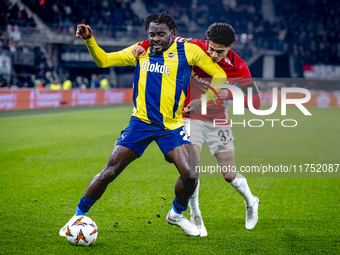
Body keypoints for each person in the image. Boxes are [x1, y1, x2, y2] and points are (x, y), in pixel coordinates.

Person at [59, 12, 226, 237]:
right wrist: (90, 39)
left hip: (171, 126)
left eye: (161, 34)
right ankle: (77, 217)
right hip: (141, 123)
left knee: (192, 173)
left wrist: (203, 101)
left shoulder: (188, 51)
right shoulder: (141, 50)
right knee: (110, 171)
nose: (156, 39)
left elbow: (219, 74)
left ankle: (176, 213)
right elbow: (104, 60)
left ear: (172, 34)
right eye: (152, 34)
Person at [133, 23, 261, 236]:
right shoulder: (194, 46)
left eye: (219, 51)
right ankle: (195, 214)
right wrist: (141, 45)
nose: (212, 54)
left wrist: (228, 95)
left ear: (230, 47)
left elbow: (256, 102)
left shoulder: (239, 67)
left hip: (218, 120)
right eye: (211, 48)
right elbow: (163, 39)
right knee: (192, 168)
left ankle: (251, 201)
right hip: (189, 118)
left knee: (228, 174)